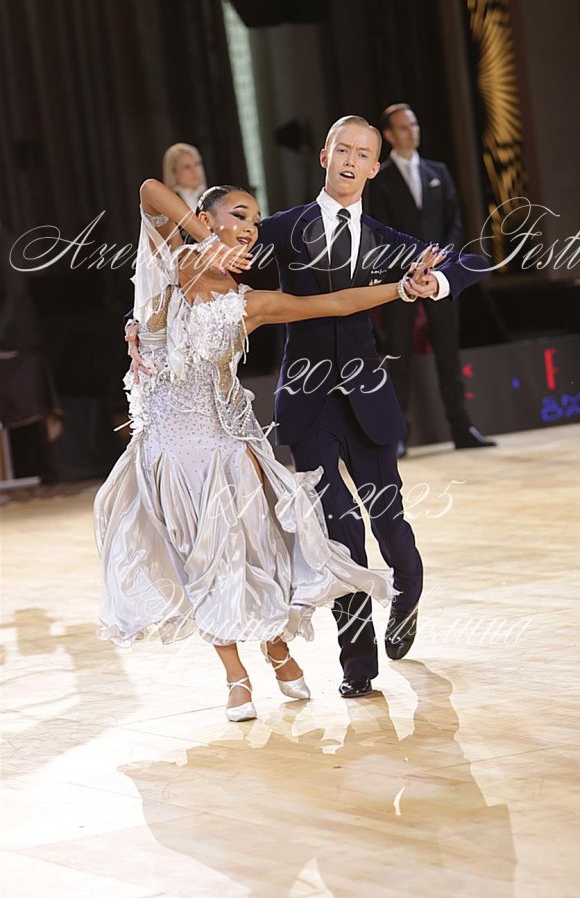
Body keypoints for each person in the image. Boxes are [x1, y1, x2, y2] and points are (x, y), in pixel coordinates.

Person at [128, 115, 490, 699]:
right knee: (337, 534)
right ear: (324, 157)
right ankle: (357, 665)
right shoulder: (279, 228)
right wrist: (141, 320)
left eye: (363, 154)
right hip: (306, 401)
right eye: (342, 149)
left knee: (390, 524)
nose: (350, 160)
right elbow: (186, 266)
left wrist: (429, 285)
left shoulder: (386, 239)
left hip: (368, 398)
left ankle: (407, 590)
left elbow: (470, 261)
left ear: (374, 168)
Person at [96, 178, 436, 722]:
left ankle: (276, 648)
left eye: (256, 221)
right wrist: (204, 240)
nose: (251, 229)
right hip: (165, 458)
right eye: (239, 215)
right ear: (206, 218)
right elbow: (148, 190)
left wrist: (401, 290)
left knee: (255, 556)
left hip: (229, 450)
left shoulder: (248, 303)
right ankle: (236, 676)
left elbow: (333, 302)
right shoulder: (170, 266)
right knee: (197, 562)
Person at [368, 103, 496, 454]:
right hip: (401, 278)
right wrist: (412, 266)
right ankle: (397, 434)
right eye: (403, 127)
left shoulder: (437, 171)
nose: (412, 131)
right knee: (398, 356)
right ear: (389, 135)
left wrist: (440, 265)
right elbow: (380, 230)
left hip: (440, 276)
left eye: (414, 125)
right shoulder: (381, 179)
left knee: (449, 354)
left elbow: (455, 221)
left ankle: (462, 427)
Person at [162, 142, 207, 213]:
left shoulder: (211, 199)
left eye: (197, 164)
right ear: (174, 172)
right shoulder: (167, 204)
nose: (194, 171)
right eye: (187, 167)